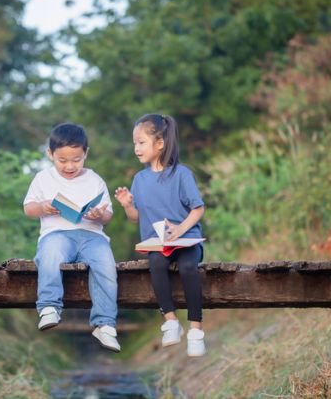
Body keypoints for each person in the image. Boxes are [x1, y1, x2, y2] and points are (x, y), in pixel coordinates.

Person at [114, 113, 206, 357]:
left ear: (160, 143)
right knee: (156, 263)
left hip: (187, 241)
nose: (136, 148)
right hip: (159, 245)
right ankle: (170, 321)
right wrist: (126, 205)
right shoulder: (139, 179)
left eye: (141, 142)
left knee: (188, 268)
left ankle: (196, 330)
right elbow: (136, 217)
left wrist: (180, 230)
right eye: (134, 143)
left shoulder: (181, 174)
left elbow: (198, 209)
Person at [23, 122, 120, 352]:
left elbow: (107, 215)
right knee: (51, 253)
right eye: (62, 160)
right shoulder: (42, 178)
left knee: (106, 266)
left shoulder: (94, 179)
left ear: (86, 153)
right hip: (57, 234)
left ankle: (105, 324)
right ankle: (49, 307)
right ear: (50, 154)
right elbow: (28, 209)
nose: (69, 166)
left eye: (76, 160)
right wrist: (43, 206)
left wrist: (99, 214)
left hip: (91, 235)